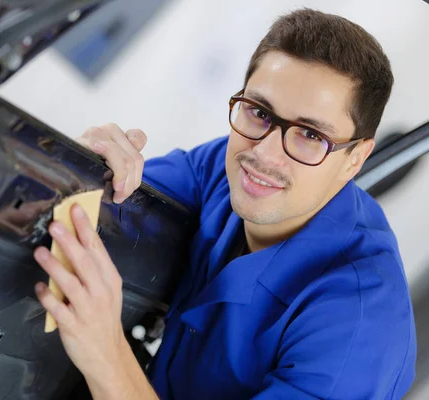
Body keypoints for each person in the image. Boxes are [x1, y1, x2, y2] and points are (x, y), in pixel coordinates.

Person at [32, 8, 417, 399]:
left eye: (310, 135)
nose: (265, 154)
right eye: (260, 112)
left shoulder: (357, 327)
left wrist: (106, 354)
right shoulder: (221, 167)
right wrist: (79, 165)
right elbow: (91, 205)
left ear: (355, 157)